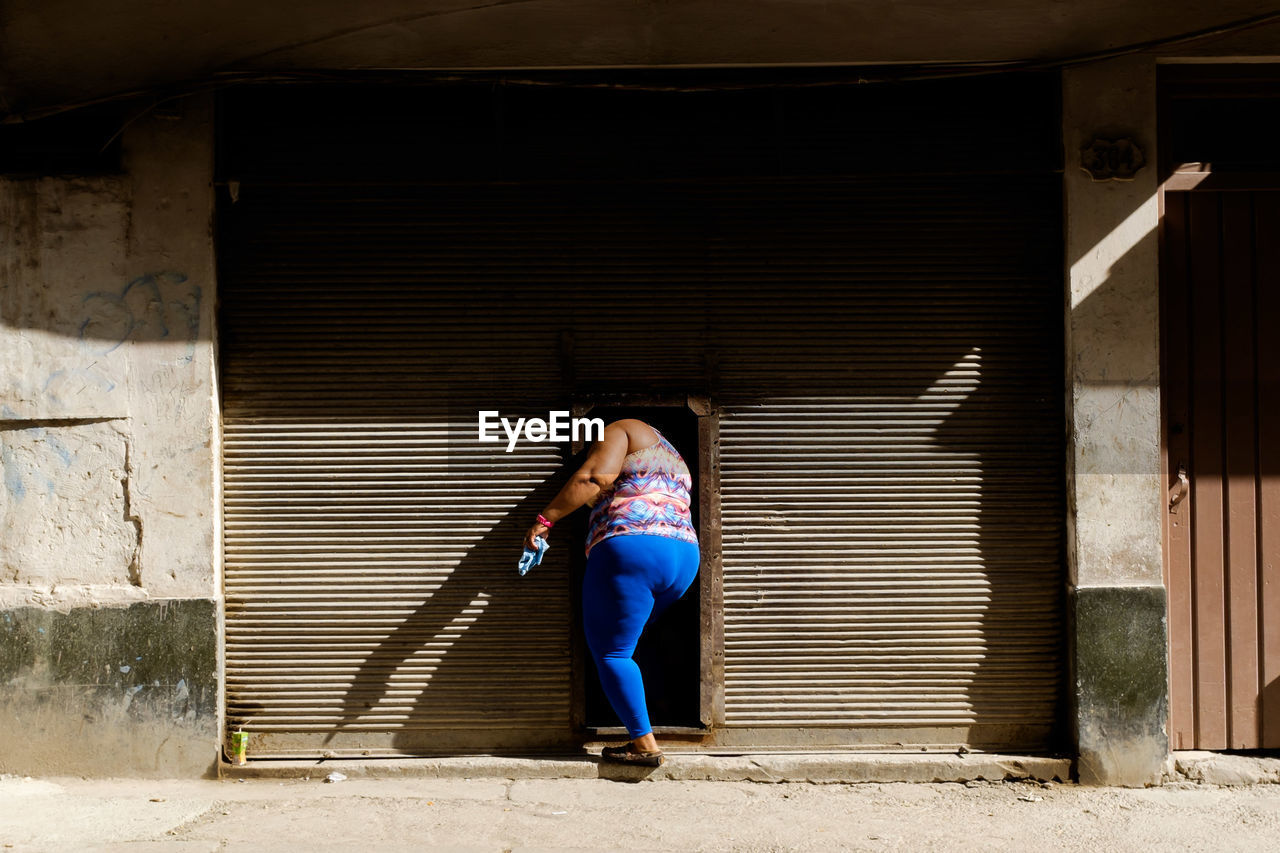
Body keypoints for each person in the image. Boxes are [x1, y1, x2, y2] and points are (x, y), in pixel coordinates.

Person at [524, 418, 700, 766]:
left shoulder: (619, 429)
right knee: (628, 647)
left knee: (613, 654)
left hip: (633, 548)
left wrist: (544, 521)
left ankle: (644, 744)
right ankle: (645, 719)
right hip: (683, 557)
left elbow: (594, 478)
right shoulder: (670, 454)